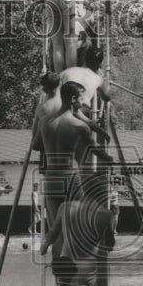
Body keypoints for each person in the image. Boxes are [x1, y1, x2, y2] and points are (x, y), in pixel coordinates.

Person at [38, 81, 96, 256]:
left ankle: (60, 280)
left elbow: (35, 145)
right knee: (79, 217)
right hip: (70, 175)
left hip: (51, 178)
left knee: (57, 226)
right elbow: (93, 148)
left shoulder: (44, 121)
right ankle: (53, 240)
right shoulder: (79, 125)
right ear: (73, 99)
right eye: (81, 99)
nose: (84, 103)